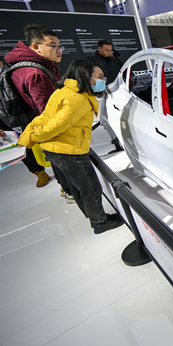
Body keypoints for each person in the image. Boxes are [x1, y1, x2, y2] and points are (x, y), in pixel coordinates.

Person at [18, 59, 125, 234]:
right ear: (86, 77)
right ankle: (100, 221)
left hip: (55, 149)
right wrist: (33, 136)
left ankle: (92, 216)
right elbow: (54, 126)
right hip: (68, 150)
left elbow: (44, 117)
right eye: (99, 77)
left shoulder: (63, 91)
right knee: (90, 186)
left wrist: (29, 134)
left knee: (77, 185)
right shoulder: (78, 100)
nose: (102, 80)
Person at [3, 24, 62, 188]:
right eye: (53, 45)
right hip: (49, 129)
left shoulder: (23, 65)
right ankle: (68, 190)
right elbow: (48, 110)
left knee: (56, 161)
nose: (59, 49)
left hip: (35, 126)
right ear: (36, 46)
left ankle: (66, 187)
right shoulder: (35, 73)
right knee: (63, 164)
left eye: (59, 45)